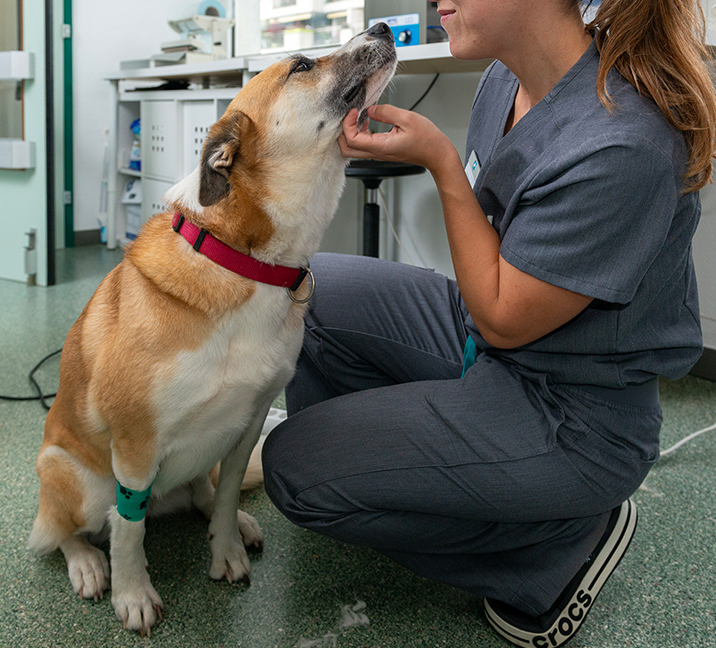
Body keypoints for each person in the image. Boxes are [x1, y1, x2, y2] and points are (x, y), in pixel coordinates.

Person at [262, 0, 716, 645]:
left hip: (573, 414)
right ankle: (426, 472)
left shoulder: (622, 140)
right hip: (492, 343)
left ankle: (551, 547)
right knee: (311, 287)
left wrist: (442, 163)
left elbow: (503, 320)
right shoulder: (504, 81)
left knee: (295, 472)